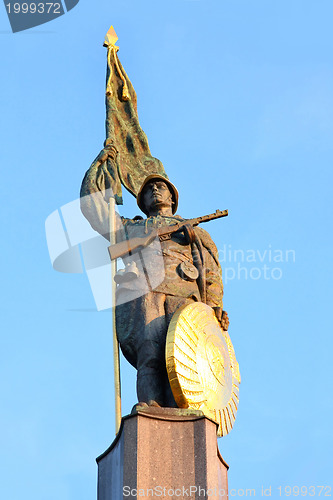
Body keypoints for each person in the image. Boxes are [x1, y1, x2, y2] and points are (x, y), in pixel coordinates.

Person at [80, 147, 229, 408]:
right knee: (149, 352)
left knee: (184, 357)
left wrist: (215, 307)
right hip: (145, 293)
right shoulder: (132, 228)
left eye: (161, 187)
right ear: (143, 201)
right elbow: (93, 208)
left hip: (185, 294)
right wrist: (100, 165)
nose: (155, 191)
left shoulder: (194, 231)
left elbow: (211, 271)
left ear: (172, 196)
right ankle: (151, 407)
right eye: (149, 190)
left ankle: (184, 411)